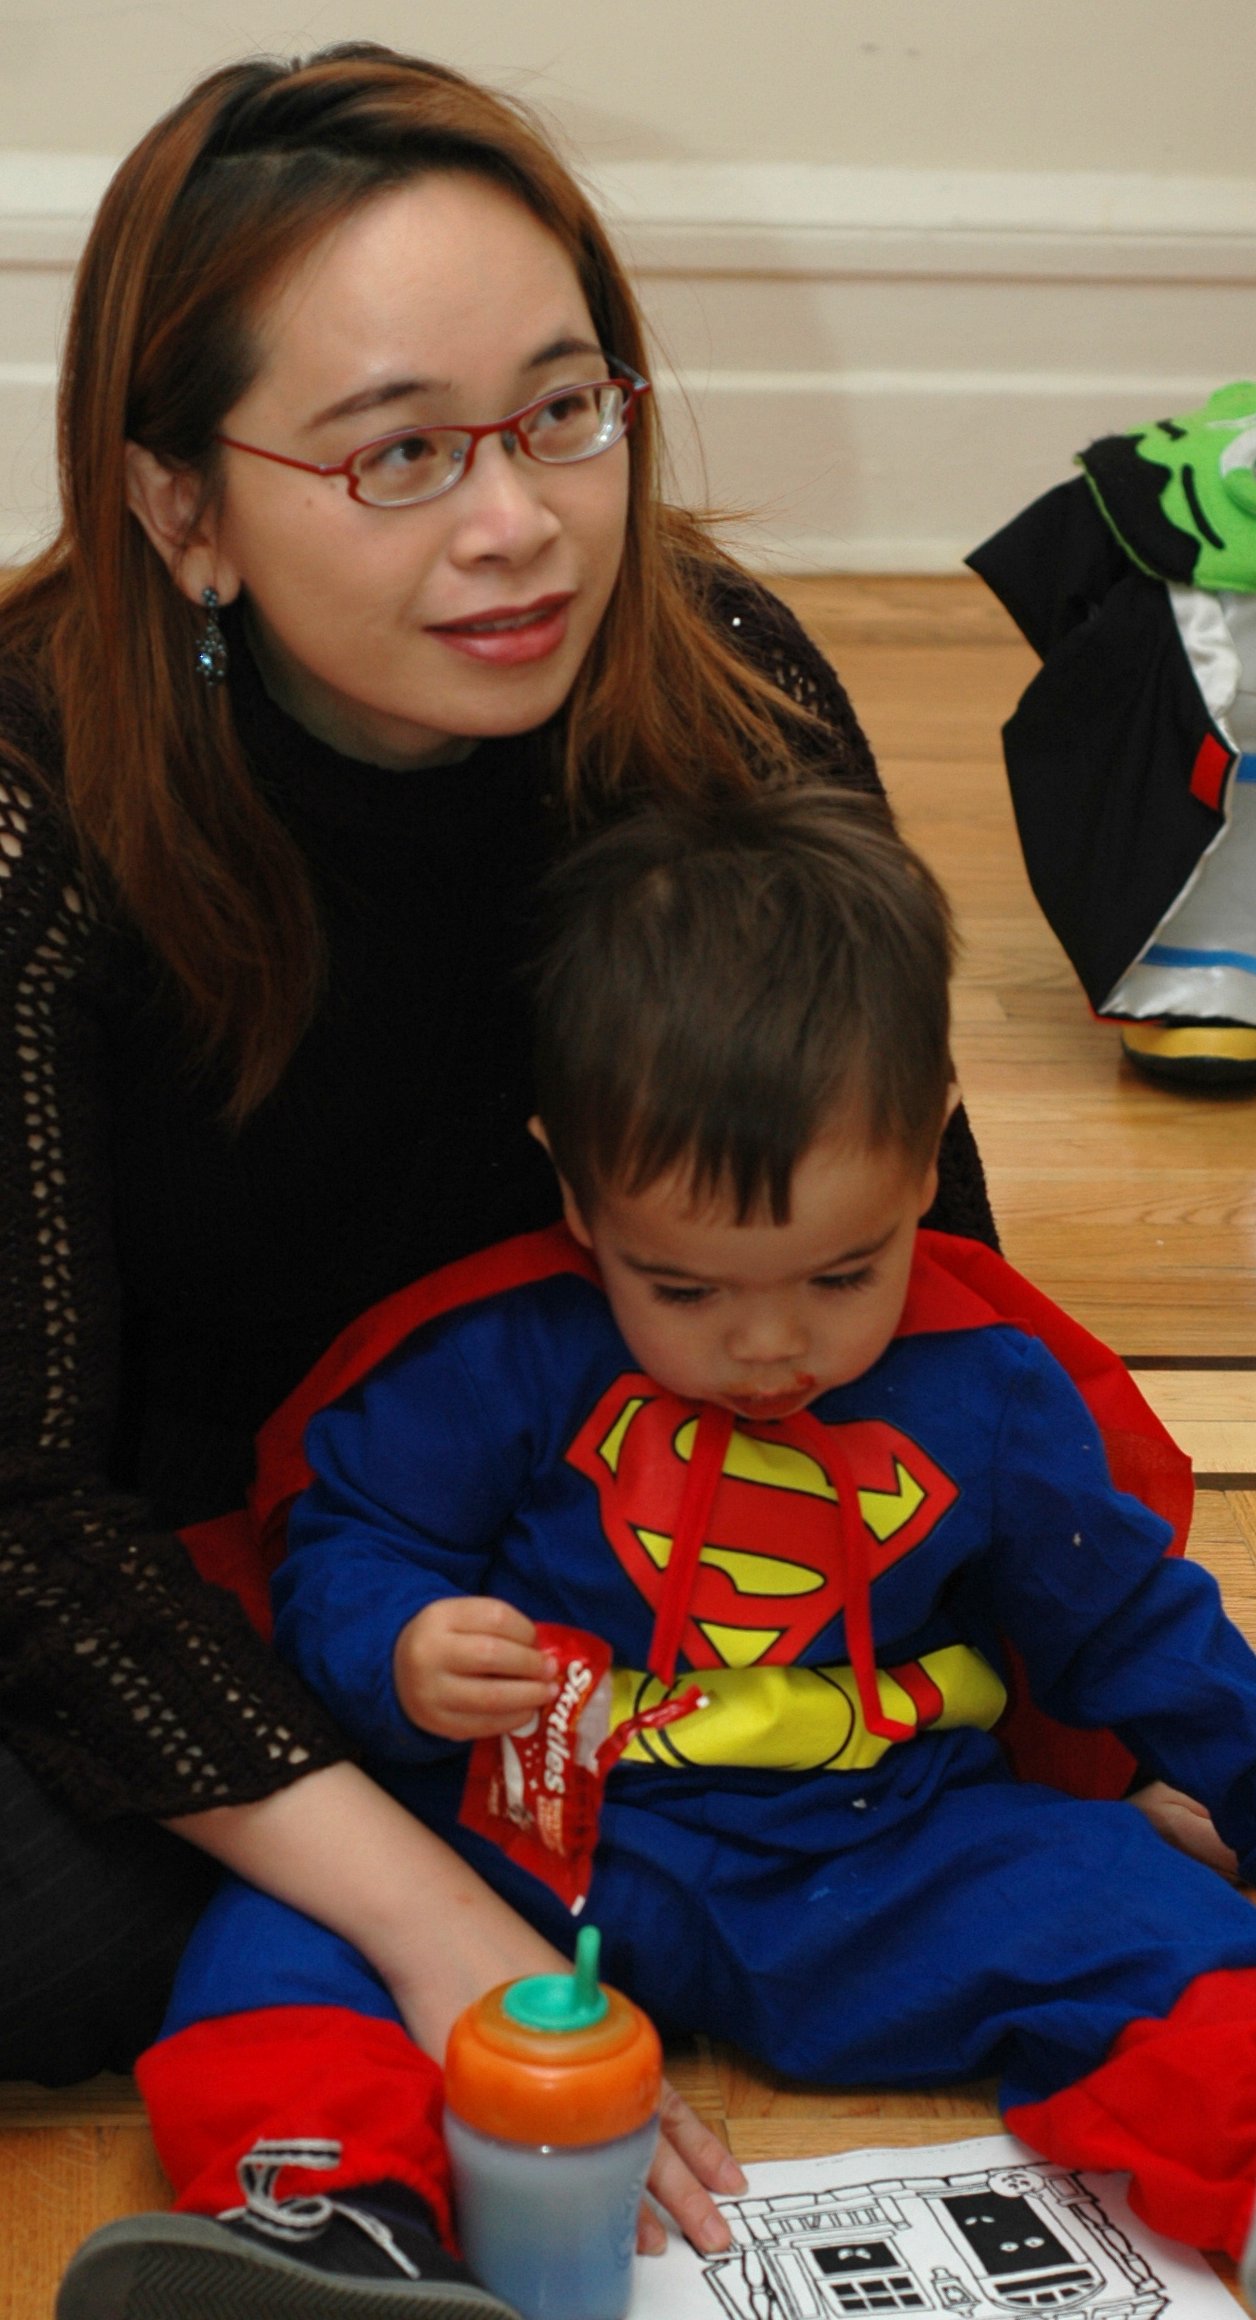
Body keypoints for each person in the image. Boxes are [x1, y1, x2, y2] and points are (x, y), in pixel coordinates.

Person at [0, 28, 1002, 2284]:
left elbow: (915, 1250)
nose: (516, 523)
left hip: (622, 1546)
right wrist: (442, 1929)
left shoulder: (721, 686)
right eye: (399, 454)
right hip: (183, 1574)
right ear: (181, 507)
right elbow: (21, 1510)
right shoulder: (30, 803)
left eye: (564, 413)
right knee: (43, 1934)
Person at [61, 786, 1256, 2320]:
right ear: (574, 1185)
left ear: (926, 1153)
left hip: (885, 1851)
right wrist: (403, 1647)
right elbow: (349, 1545)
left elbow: (1135, 1629)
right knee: (289, 1932)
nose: (769, 1346)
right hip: (537, 1853)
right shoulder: (498, 1356)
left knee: (1157, 1923)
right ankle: (323, 2218)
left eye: (842, 1275)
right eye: (684, 1290)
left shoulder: (997, 1392)